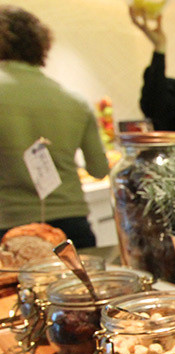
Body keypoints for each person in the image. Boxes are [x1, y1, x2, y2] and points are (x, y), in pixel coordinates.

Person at [0, 5, 108, 248]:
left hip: (9, 230)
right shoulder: (75, 102)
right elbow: (100, 169)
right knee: (77, 287)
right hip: (71, 226)